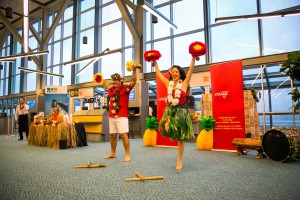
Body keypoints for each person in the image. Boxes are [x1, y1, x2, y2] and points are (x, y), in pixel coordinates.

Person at [152, 57, 196, 170]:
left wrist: (193, 58)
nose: (175, 73)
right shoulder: (168, 83)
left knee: (180, 138)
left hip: (181, 113)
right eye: (173, 71)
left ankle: (179, 161)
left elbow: (191, 70)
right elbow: (159, 74)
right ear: (171, 73)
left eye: (177, 72)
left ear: (180, 74)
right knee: (170, 132)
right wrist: (155, 63)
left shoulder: (184, 84)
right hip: (170, 112)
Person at [103, 66, 137, 162]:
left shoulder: (125, 88)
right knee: (112, 135)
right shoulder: (111, 89)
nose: (114, 82)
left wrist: (134, 70)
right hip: (112, 116)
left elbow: (134, 81)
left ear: (121, 81)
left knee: (123, 135)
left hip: (122, 116)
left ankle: (127, 155)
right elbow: (105, 84)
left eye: (116, 80)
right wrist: (100, 77)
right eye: (113, 80)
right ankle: (113, 153)